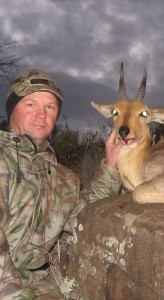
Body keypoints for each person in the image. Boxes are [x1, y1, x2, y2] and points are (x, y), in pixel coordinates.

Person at [0, 69, 123, 299]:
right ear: (11, 110)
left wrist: (111, 166)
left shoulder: (64, 177)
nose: (41, 115)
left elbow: (85, 216)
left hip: (39, 284)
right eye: (30, 104)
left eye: (50, 107)